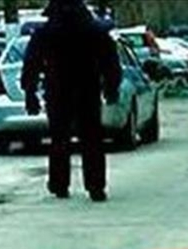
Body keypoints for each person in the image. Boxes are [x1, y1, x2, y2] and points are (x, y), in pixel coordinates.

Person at [21, 0, 121, 202]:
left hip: (58, 90)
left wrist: (30, 92)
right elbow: (110, 61)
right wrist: (111, 86)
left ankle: (59, 184)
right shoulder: (94, 31)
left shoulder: (46, 32)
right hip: (87, 89)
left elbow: (32, 63)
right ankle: (95, 186)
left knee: (59, 138)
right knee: (91, 138)